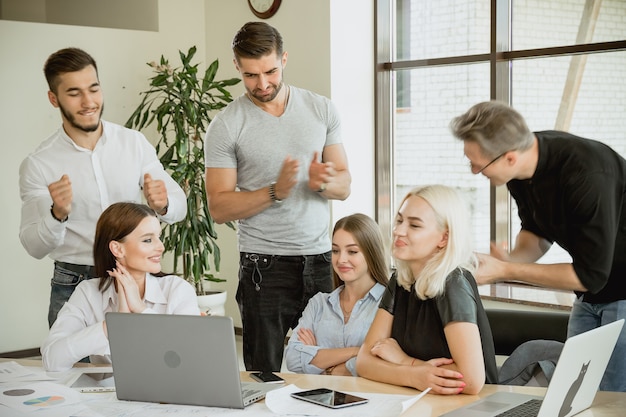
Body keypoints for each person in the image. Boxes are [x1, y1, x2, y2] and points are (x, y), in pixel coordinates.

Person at [204, 21, 351, 372]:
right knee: (264, 373)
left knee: (328, 368)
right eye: (251, 75)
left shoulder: (321, 109)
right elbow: (219, 207)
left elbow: (344, 186)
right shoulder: (226, 125)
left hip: (320, 262)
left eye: (270, 71)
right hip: (263, 267)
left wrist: (323, 182)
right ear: (237, 66)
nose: (263, 84)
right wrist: (275, 192)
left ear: (284, 59)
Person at [449, 100, 626, 392]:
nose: (473, 171)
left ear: (508, 157)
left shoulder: (586, 173)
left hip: (618, 289)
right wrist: (511, 259)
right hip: (589, 296)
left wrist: (506, 270)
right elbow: (536, 232)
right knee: (576, 392)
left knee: (614, 397)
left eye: (478, 165)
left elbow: (589, 274)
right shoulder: (519, 171)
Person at [19, 47, 186, 327]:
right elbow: (34, 246)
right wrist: (56, 213)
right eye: (74, 93)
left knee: (140, 368)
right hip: (74, 281)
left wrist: (163, 204)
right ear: (53, 98)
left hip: (136, 278)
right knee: (72, 369)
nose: (88, 101)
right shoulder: (39, 164)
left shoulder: (133, 143)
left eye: (94, 89)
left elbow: (178, 205)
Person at [356, 185, 498, 395]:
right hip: (420, 402)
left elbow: (471, 380)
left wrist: (404, 361)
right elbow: (364, 362)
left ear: (444, 238)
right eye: (399, 220)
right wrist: (414, 374)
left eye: (414, 225)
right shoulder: (400, 279)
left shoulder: (454, 282)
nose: (398, 231)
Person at [41, 203, 199, 372]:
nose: (160, 247)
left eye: (158, 237)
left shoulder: (177, 290)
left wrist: (141, 309)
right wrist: (113, 324)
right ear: (117, 248)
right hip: (106, 396)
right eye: (148, 239)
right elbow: (52, 360)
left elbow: (189, 357)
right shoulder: (88, 292)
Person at [285, 214, 389, 376]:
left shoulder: (388, 303)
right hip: (318, 397)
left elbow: (384, 361)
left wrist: (319, 360)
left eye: (352, 251)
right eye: (335, 250)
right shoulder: (319, 303)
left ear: (371, 253)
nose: (341, 259)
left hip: (369, 396)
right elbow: (293, 358)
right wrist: (358, 351)